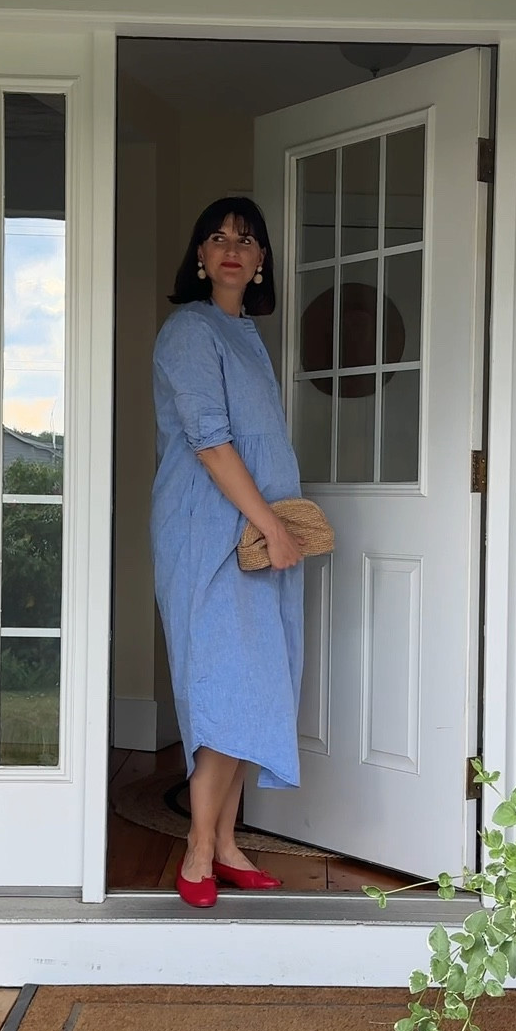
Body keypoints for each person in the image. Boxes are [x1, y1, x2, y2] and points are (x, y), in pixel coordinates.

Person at [150, 196, 305, 907]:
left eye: (246, 239)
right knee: (226, 688)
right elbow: (211, 443)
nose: (232, 248)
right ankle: (198, 848)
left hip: (253, 532)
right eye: (217, 238)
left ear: (262, 258)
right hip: (210, 533)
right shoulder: (190, 329)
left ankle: (229, 840)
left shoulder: (244, 333)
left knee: (257, 685)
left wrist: (273, 525)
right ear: (200, 257)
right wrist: (272, 526)